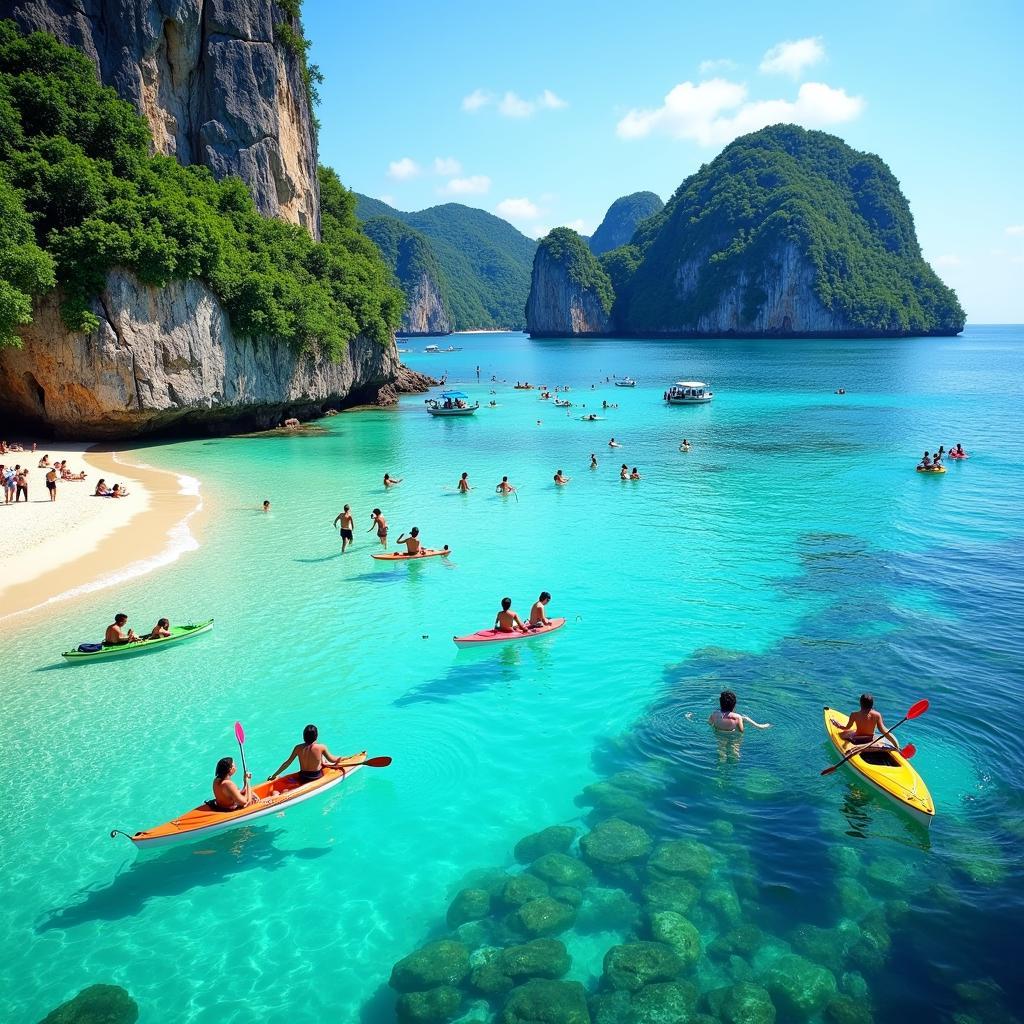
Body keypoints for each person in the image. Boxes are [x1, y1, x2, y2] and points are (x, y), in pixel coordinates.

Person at [268, 724, 351, 783]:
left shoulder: (298, 748)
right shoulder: (321, 747)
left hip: (303, 777)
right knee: (324, 760)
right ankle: (323, 762)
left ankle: (323, 762)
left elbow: (287, 763)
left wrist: (274, 776)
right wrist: (345, 758)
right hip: (316, 777)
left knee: (322, 759)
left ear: (303, 736)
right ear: (316, 736)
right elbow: (333, 760)